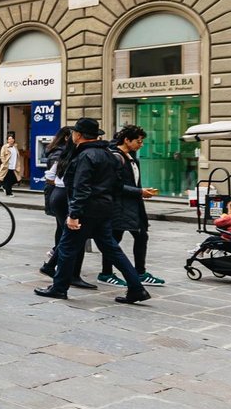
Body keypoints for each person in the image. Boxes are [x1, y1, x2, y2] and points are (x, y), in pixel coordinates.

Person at [35, 118, 149, 305]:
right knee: (112, 250)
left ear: (78, 135)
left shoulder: (85, 156)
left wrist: (74, 214)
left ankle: (59, 288)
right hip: (104, 209)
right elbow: (117, 185)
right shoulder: (109, 155)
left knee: (66, 247)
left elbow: (82, 188)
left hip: (86, 210)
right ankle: (137, 288)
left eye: (74, 133)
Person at [99, 125, 162, 288]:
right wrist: (140, 191)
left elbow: (132, 182)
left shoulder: (132, 157)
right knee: (113, 239)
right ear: (126, 140)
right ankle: (106, 273)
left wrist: (141, 191)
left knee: (141, 236)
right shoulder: (115, 157)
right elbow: (114, 185)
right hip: (119, 206)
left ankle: (140, 272)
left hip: (134, 205)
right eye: (138, 141)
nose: (141, 144)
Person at [38, 128, 76, 279]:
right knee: (66, 231)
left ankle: (55, 262)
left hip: (56, 193)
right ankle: (54, 262)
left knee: (62, 229)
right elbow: (51, 176)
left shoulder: (58, 151)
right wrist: (61, 185)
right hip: (59, 194)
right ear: (67, 138)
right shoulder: (60, 153)